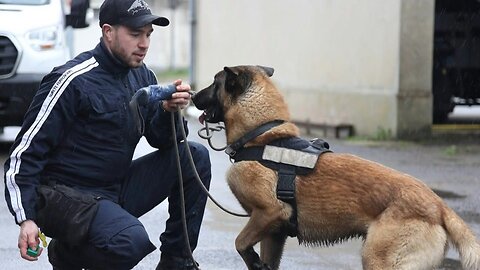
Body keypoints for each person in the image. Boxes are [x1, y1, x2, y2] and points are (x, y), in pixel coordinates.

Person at [3, 0, 211, 269]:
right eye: (135, 34)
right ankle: (65, 254)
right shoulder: (72, 80)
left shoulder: (142, 77)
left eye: (148, 34)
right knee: (129, 241)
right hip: (63, 197)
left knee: (194, 157)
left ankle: (177, 262)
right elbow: (23, 156)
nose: (144, 44)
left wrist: (169, 111)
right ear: (108, 32)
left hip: (111, 191)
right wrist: (26, 218)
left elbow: (162, 141)